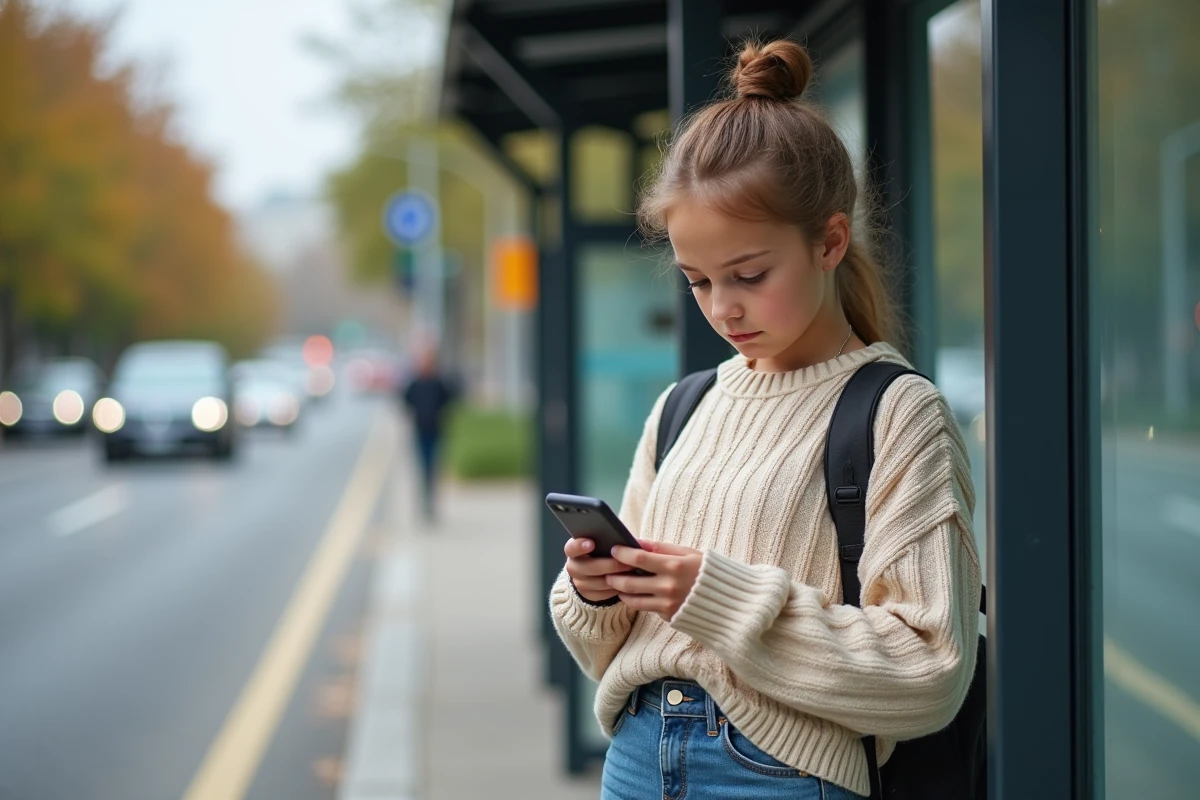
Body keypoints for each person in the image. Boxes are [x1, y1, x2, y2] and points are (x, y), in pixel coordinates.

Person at [548, 39, 981, 800]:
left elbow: (930, 670)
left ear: (830, 242)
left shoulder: (896, 410)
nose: (723, 308)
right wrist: (596, 589)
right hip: (636, 755)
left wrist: (710, 597)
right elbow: (607, 649)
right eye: (699, 282)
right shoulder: (685, 405)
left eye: (748, 275)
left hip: (781, 774)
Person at [400, 344, 457, 523]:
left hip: (436, 431)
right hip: (420, 432)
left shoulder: (439, 383)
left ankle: (431, 503)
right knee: (423, 468)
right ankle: (425, 504)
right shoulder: (415, 384)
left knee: (433, 468)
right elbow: (405, 401)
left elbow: (449, 399)